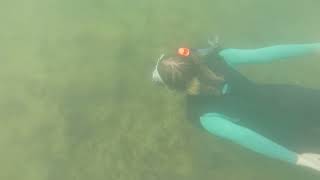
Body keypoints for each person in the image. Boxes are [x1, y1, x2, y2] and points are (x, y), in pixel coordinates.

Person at [152, 40, 320, 171]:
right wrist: (313, 47)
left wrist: (298, 159)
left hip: (283, 134)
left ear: (174, 89)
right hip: (290, 98)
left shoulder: (201, 114)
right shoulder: (220, 58)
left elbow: (246, 137)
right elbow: (265, 54)